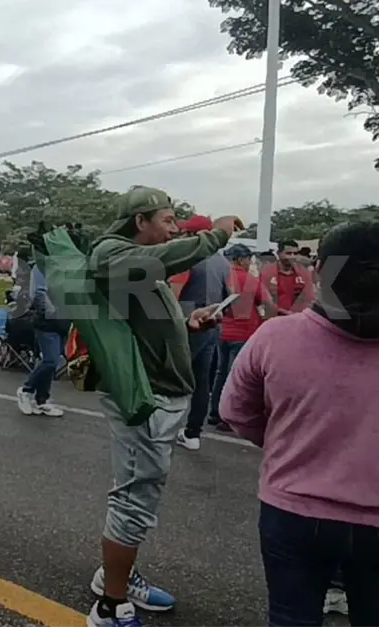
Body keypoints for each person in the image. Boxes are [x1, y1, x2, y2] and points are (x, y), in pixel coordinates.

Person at [221, 220, 379, 627]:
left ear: (322, 272)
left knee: (291, 620)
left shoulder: (276, 337)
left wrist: (290, 443)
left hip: (294, 513)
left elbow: (235, 411)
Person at [85, 187, 241, 627]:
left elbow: (146, 321)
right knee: (135, 496)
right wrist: (215, 235)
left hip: (161, 393)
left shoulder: (136, 264)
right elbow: (163, 259)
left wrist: (189, 322)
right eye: (168, 220)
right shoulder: (111, 254)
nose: (174, 228)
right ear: (141, 221)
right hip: (143, 397)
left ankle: (116, 575)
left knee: (139, 491)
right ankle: (110, 606)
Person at [171, 216, 230, 450]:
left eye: (186, 233)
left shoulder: (187, 259)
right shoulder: (223, 263)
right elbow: (231, 295)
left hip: (187, 325)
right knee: (202, 380)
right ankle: (193, 432)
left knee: (173, 378)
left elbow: (173, 298)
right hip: (212, 326)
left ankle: (163, 429)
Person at [207, 243, 276, 433]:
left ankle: (214, 413)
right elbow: (268, 303)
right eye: (247, 259)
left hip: (222, 331)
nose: (249, 262)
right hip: (243, 333)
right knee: (235, 377)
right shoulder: (250, 280)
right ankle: (227, 418)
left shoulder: (222, 277)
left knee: (221, 373)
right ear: (240, 259)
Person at [15, 253, 66, 418]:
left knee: (51, 361)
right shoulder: (41, 267)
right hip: (47, 321)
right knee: (51, 361)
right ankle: (26, 389)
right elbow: (39, 293)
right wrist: (53, 313)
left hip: (63, 320)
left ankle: (42, 399)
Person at [259, 238, 314, 314]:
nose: (292, 257)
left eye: (295, 253)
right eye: (288, 253)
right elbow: (265, 299)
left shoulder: (304, 273)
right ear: (279, 254)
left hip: (298, 318)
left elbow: (309, 298)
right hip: (274, 318)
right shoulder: (267, 272)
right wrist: (284, 312)